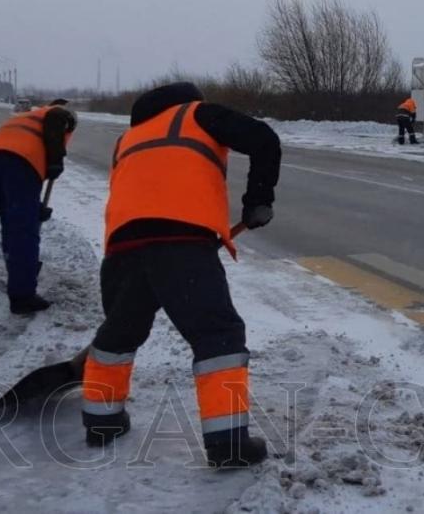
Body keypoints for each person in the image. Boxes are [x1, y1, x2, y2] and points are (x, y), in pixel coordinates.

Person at [81, 82, 281, 469]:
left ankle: (102, 423)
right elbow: (264, 140)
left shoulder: (128, 137)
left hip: (122, 248)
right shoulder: (197, 113)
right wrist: (258, 200)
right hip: (180, 241)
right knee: (217, 334)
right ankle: (228, 444)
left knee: (118, 336)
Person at [0, 99, 77, 314]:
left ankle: (17, 275)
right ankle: (22, 295)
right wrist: (56, 161)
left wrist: (35, 209)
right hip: (19, 161)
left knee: (11, 224)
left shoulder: (29, 119)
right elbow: (56, 119)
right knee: (24, 230)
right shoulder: (57, 114)